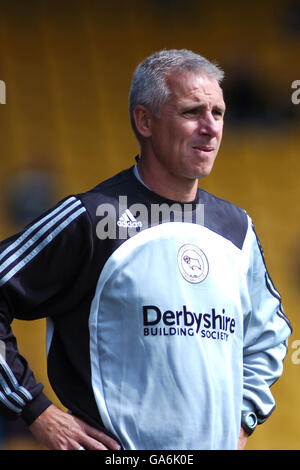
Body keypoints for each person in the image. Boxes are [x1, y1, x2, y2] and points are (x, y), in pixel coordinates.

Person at [0, 49, 292, 450]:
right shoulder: (92, 218)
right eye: (192, 112)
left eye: (219, 113)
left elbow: (269, 336)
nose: (211, 128)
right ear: (145, 121)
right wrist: (36, 411)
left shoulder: (236, 228)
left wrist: (241, 422)